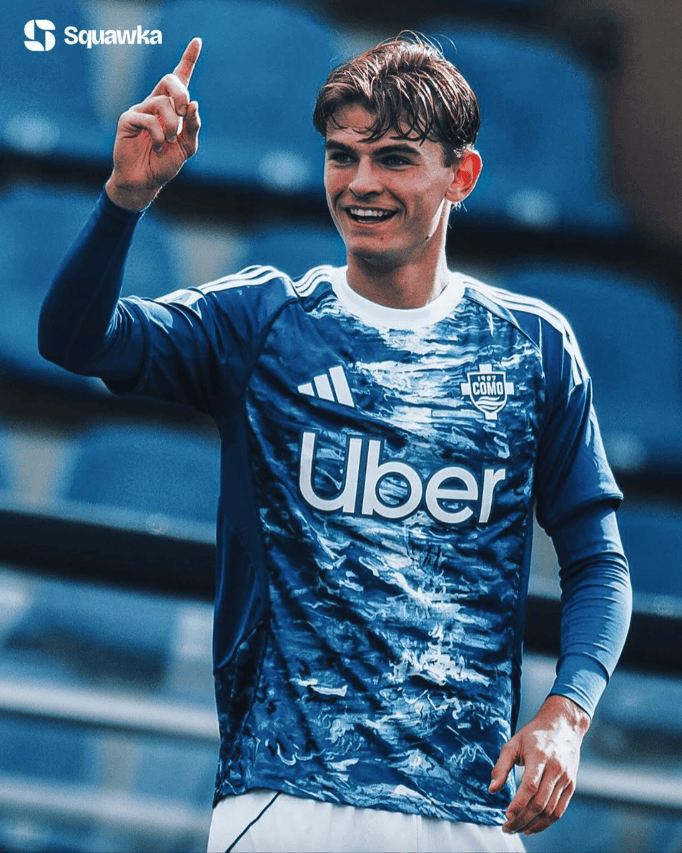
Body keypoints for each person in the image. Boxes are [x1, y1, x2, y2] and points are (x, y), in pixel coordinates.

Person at [39, 33, 632, 853]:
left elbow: (598, 560)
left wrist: (568, 714)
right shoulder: (261, 320)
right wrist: (123, 201)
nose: (360, 183)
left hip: (469, 810)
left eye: (394, 158)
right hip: (283, 801)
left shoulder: (533, 347)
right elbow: (78, 339)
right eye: (342, 156)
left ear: (461, 175)